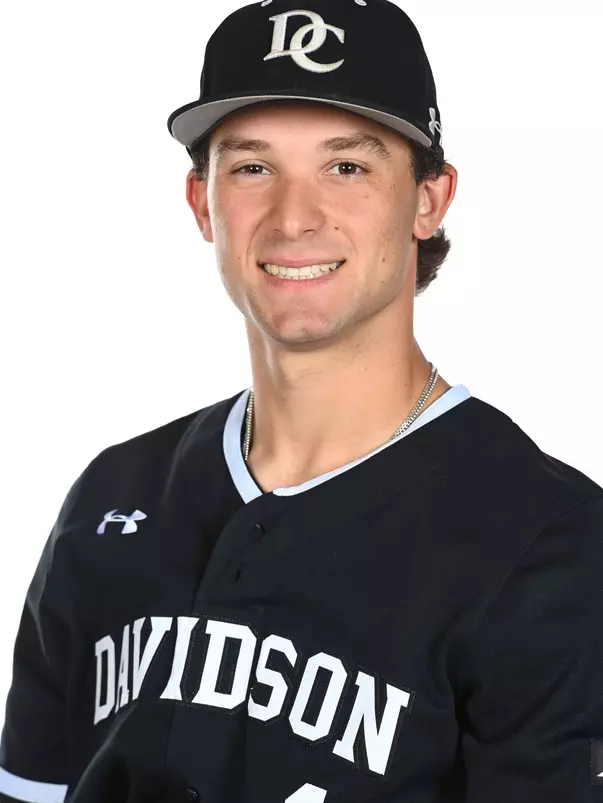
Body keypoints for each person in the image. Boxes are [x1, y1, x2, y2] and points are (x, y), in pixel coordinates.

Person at [1, 0, 603, 801]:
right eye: (252, 167)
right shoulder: (112, 496)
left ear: (428, 199)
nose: (293, 217)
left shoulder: (551, 543)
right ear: (201, 202)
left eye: (346, 166)